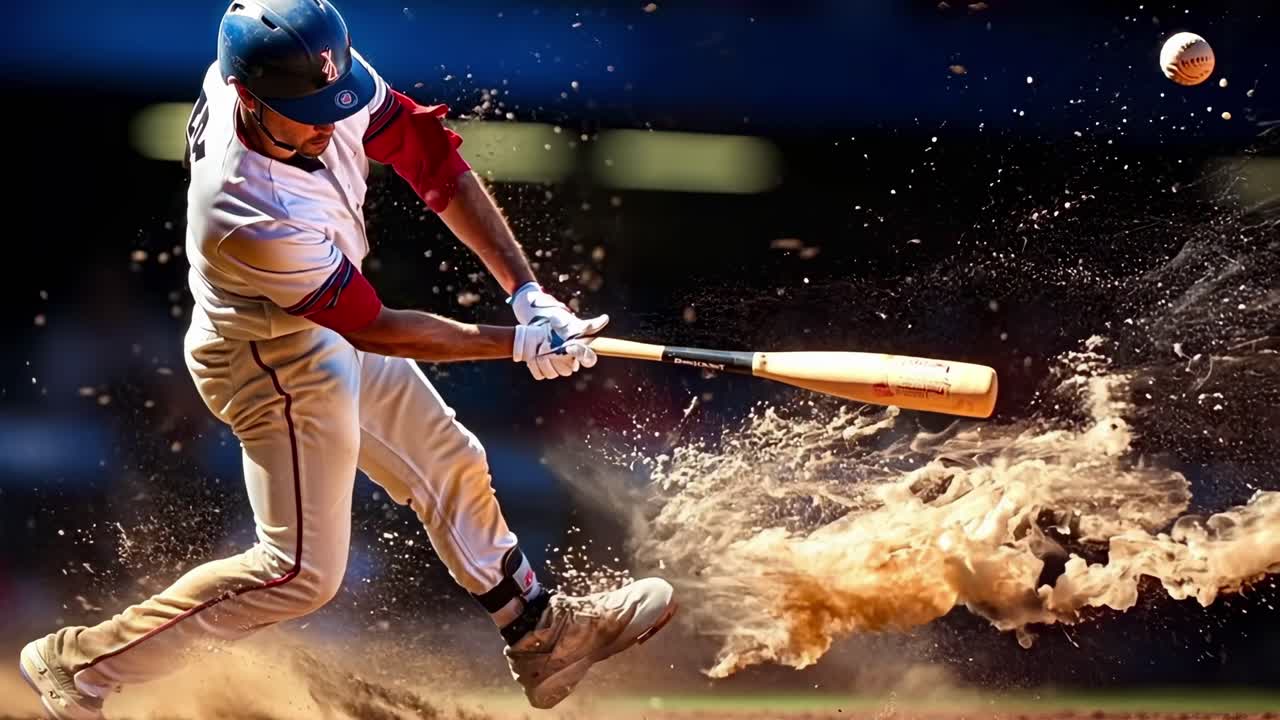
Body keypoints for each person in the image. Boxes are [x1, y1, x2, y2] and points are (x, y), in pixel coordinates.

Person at [18, 1, 676, 717]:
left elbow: (427, 155)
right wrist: (514, 344)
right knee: (300, 572)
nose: (330, 123)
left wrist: (526, 293)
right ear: (247, 96)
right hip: (267, 355)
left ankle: (541, 634)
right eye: (308, 111)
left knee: (449, 458)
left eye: (334, 100)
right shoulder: (242, 211)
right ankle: (80, 661)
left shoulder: (306, 74)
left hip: (321, 331)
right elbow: (375, 327)